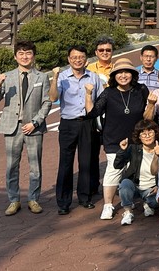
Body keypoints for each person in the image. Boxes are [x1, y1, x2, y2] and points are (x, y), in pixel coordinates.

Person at [0, 40, 52, 216]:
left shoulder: (42, 77)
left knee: (35, 166)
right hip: (12, 126)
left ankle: (33, 199)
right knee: (12, 165)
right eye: (21, 54)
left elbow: (47, 102)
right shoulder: (7, 76)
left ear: (33, 56)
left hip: (34, 127)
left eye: (28, 53)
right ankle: (13, 200)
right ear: (15, 57)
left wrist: (35, 122)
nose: (25, 57)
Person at [85, 57, 150, 220]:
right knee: (113, 171)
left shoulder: (141, 90)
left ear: (133, 74)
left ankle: (145, 201)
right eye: (119, 73)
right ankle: (108, 205)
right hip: (114, 140)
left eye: (127, 72)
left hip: (137, 140)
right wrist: (88, 94)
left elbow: (148, 115)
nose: (123, 75)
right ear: (114, 76)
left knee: (139, 171)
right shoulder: (109, 93)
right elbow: (93, 113)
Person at [49, 45, 102, 214]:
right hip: (68, 123)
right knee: (65, 163)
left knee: (86, 162)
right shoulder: (62, 77)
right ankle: (63, 202)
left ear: (86, 59)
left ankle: (85, 197)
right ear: (68, 59)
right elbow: (53, 97)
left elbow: (101, 101)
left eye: (81, 57)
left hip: (87, 123)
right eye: (74, 57)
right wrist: (54, 77)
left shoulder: (94, 77)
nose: (77, 60)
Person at [114, 120, 159, 226]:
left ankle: (147, 203)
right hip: (135, 186)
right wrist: (122, 151)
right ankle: (128, 211)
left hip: (152, 188)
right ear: (139, 136)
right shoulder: (133, 148)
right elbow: (117, 165)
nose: (147, 136)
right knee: (125, 183)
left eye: (150, 132)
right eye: (143, 133)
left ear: (155, 133)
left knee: (156, 202)